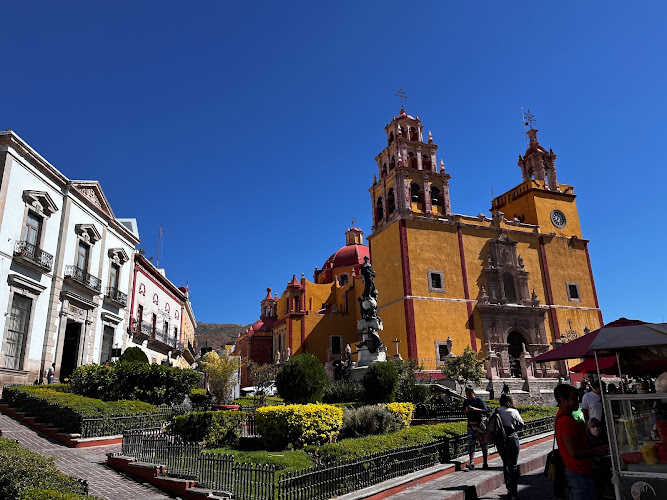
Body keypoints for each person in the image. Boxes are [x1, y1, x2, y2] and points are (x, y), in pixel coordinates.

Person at [554, 384, 608, 500]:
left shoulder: (565, 418)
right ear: (563, 400)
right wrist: (597, 451)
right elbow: (574, 452)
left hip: (577, 470)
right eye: (574, 398)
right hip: (577, 471)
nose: (578, 401)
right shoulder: (566, 421)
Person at [496, 393, 524, 500]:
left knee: (505, 463)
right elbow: (521, 424)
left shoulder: (496, 411)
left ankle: (508, 487)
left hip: (500, 441)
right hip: (511, 438)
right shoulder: (513, 411)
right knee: (513, 465)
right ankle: (514, 491)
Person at [463, 386, 488, 470]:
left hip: (480, 425)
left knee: (483, 444)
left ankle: (485, 462)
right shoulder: (466, 402)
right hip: (470, 426)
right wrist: (468, 410)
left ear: (473, 393)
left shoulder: (479, 400)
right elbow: (463, 412)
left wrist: (475, 409)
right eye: (467, 394)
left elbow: (485, 411)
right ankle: (472, 462)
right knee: (471, 444)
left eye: (469, 394)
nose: (468, 396)